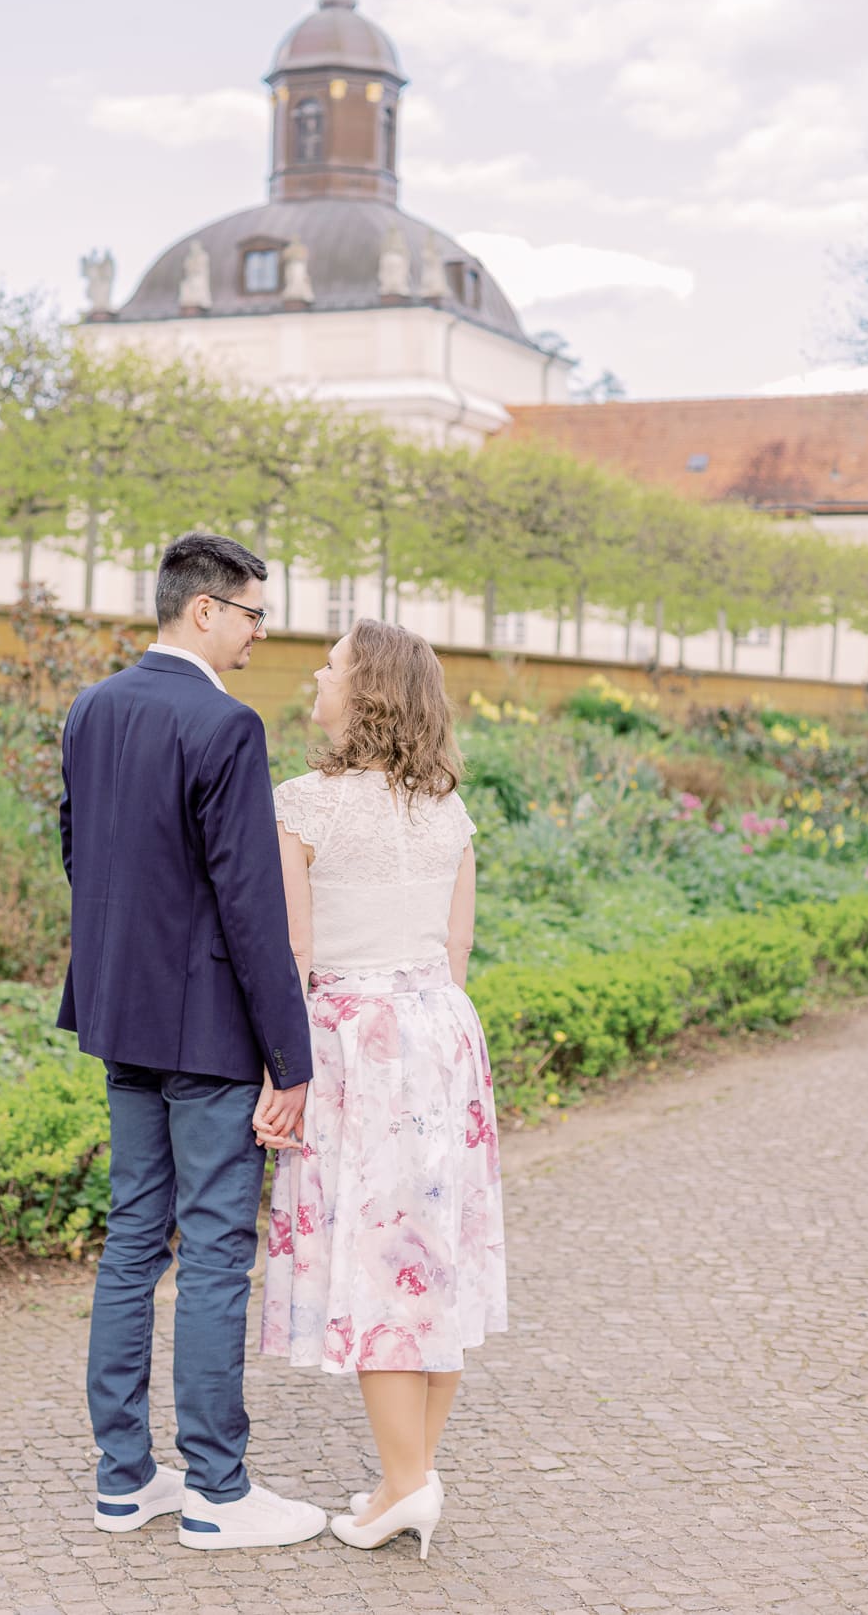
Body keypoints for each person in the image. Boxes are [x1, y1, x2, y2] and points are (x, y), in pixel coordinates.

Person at [57, 532, 326, 1551]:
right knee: (215, 1252)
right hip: (209, 1032)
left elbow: (80, 855)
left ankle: (124, 1479)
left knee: (133, 1241)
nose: (263, 630)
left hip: (120, 1016)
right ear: (204, 610)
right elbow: (252, 907)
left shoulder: (92, 708)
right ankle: (218, 1488)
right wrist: (290, 1060)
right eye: (255, 612)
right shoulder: (225, 725)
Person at [258, 618, 507, 1561]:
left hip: (356, 1042)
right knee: (427, 1263)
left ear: (363, 696)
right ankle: (407, 1479)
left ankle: (407, 1483)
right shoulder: (450, 811)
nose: (317, 676)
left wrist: (282, 1075)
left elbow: (294, 955)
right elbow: (457, 950)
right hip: (441, 1037)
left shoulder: (305, 806)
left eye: (332, 666)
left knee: (378, 1267)